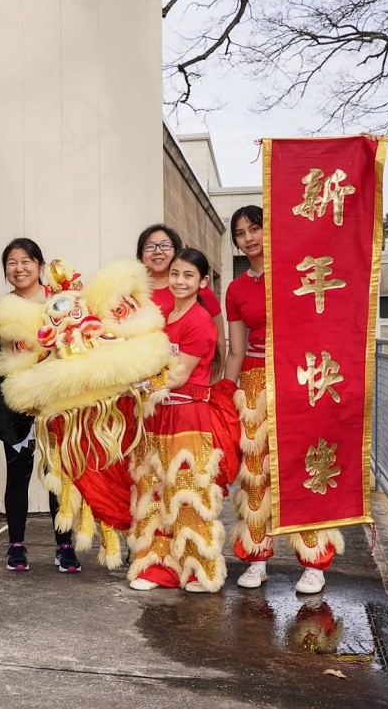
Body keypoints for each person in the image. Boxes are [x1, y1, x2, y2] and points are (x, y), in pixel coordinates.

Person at [223, 204, 343, 594]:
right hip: (256, 382)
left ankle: (313, 562)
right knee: (255, 471)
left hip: (301, 377)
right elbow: (236, 350)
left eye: (254, 229)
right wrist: (227, 392)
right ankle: (257, 558)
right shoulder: (237, 289)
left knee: (304, 466)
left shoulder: (299, 272)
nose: (249, 238)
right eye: (240, 233)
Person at [126, 247, 229, 593]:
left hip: (186, 415)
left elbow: (179, 375)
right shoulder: (164, 317)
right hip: (157, 415)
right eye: (175, 274)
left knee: (187, 493)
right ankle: (157, 568)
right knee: (153, 492)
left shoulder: (199, 320)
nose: (179, 281)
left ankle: (200, 571)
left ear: (202, 282)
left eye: (188, 275)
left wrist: (135, 383)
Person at [0, 238, 81, 573]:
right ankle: (16, 545)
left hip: (56, 403)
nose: (19, 268)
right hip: (19, 405)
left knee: (56, 476)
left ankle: (64, 546)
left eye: (26, 261)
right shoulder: (1, 308)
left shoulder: (59, 300)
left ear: (41, 265)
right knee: (17, 475)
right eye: (12, 262)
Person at [137, 224, 226, 375]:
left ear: (177, 252)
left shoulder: (197, 291)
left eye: (165, 245)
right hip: (142, 379)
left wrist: (215, 383)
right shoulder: (131, 291)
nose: (158, 251)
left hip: (187, 382)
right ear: (140, 255)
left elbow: (219, 341)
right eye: (150, 246)